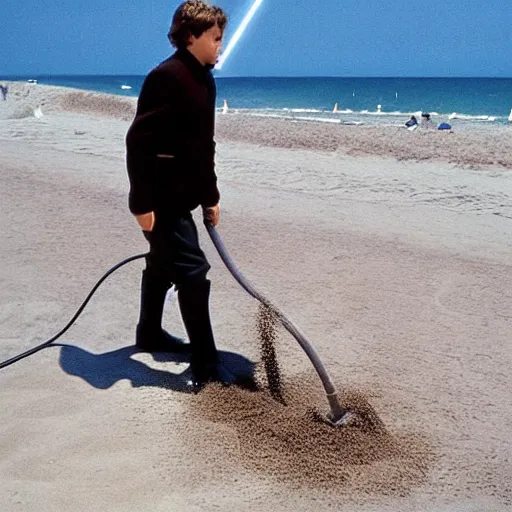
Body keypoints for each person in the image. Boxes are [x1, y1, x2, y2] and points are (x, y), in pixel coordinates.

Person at [125, 0, 236, 391]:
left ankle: (149, 334)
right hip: (159, 199)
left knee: (161, 264)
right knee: (192, 272)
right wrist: (140, 205)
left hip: (182, 196)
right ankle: (206, 363)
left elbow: (201, 147)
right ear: (191, 36)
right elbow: (138, 142)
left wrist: (210, 196)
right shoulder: (167, 76)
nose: (222, 44)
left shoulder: (203, 78)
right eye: (216, 38)